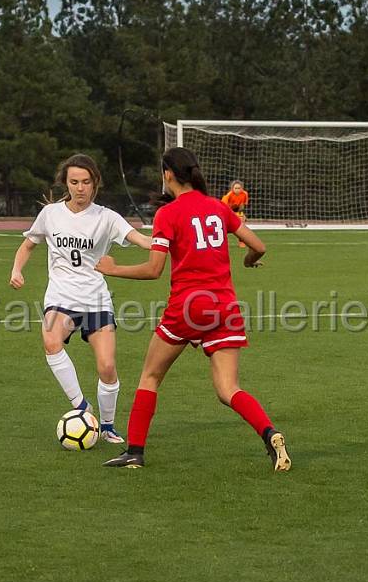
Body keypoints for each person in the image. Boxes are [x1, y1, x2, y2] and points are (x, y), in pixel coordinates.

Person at [96, 147, 290, 471]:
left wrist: (112, 269)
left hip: (187, 308)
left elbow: (154, 269)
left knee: (150, 376)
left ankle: (135, 452)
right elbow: (259, 246)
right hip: (224, 308)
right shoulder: (218, 207)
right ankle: (270, 433)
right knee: (229, 389)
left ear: (168, 174)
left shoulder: (167, 214)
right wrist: (248, 261)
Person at [9, 153, 152, 444]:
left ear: (95, 183)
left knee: (107, 367)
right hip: (61, 296)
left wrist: (167, 239)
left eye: (86, 182)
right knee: (51, 341)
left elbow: (142, 241)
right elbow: (27, 245)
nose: (80, 188)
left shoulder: (106, 217)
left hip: (96, 301)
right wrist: (16, 270)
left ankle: (108, 426)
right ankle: (83, 409)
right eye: (74, 182)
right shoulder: (50, 214)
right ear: (66, 182)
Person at [222, 180, 249, 247]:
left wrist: (242, 214)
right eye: (236, 188)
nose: (237, 190)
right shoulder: (228, 195)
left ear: (242, 188)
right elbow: (224, 207)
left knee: (242, 225)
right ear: (232, 188)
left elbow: (242, 205)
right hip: (227, 211)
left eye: (239, 188)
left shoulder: (244, 194)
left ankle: (242, 242)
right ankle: (221, 242)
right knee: (224, 228)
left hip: (237, 211)